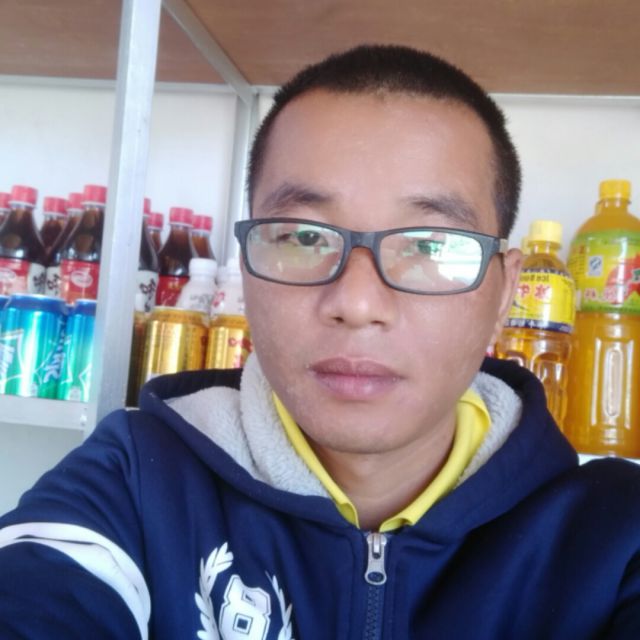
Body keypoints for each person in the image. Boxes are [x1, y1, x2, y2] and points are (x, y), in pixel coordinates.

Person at [1, 44, 639, 640]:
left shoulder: (614, 534)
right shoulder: (134, 479)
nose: (357, 304)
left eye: (429, 245)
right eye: (304, 237)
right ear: (246, 268)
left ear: (504, 291)